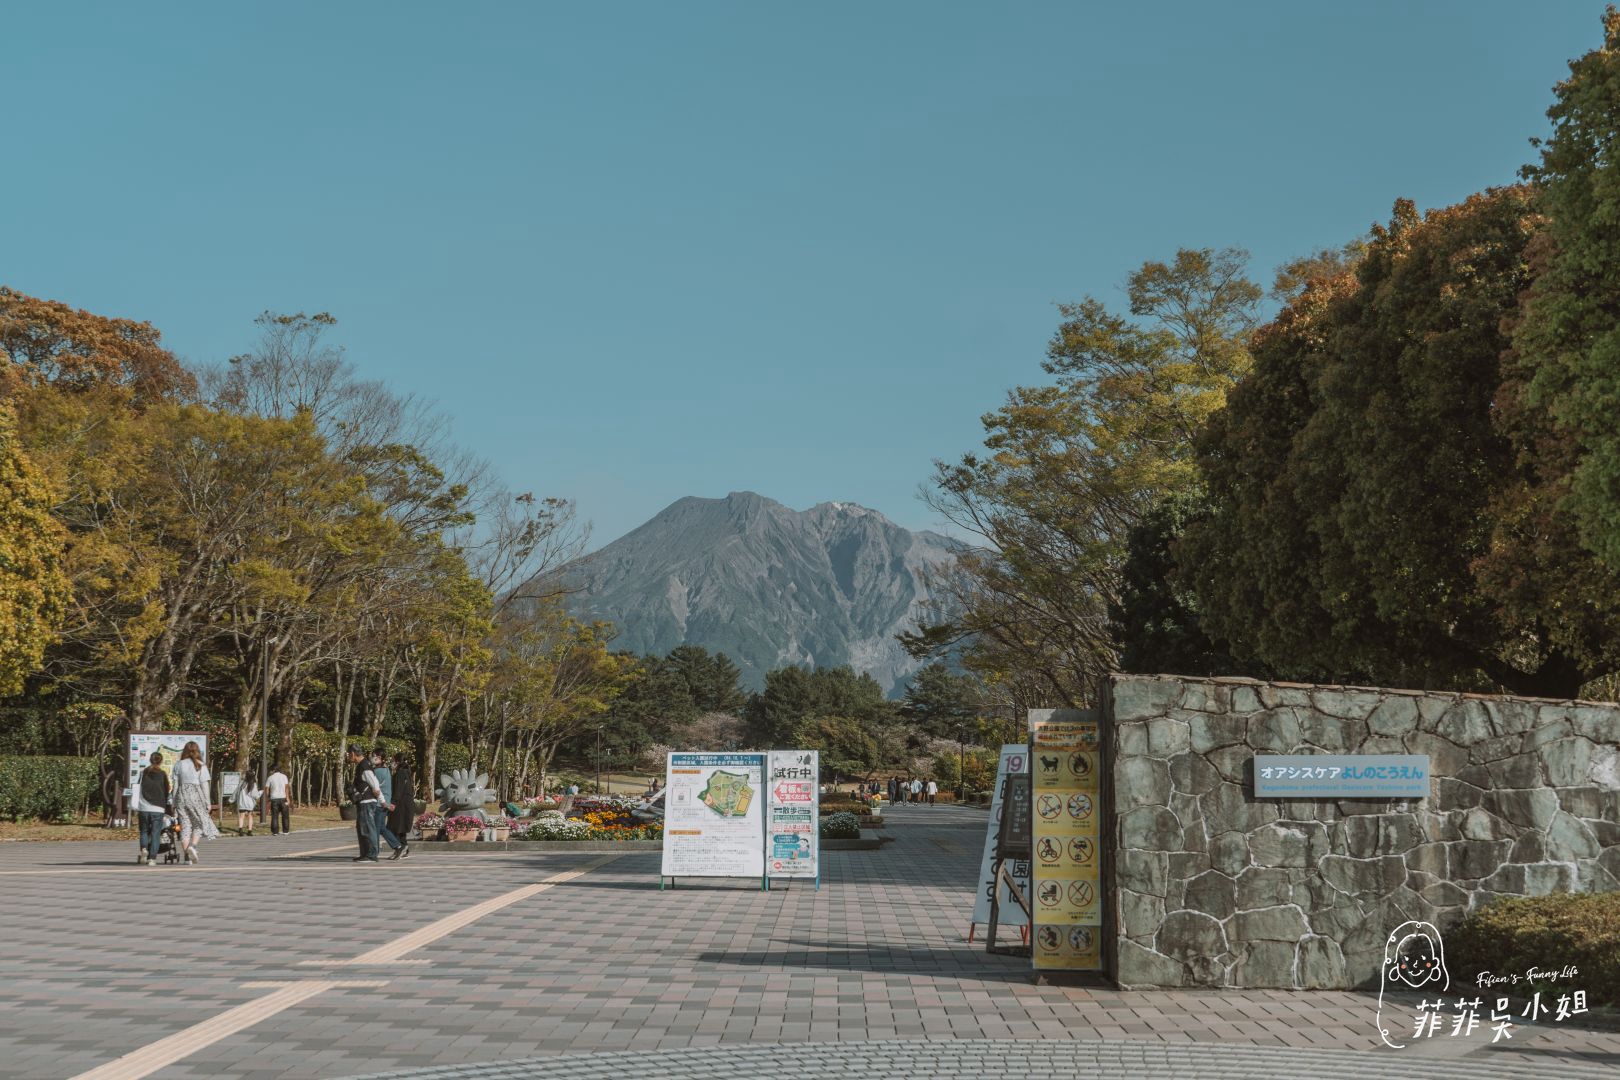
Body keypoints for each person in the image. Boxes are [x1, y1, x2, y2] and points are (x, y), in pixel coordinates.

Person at [172, 741, 218, 864]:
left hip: (181, 795)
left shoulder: (178, 764)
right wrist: (208, 803)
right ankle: (193, 846)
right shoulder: (201, 765)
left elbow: (175, 785)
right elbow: (205, 785)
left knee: (185, 826)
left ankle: (187, 858)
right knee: (199, 823)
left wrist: (174, 802)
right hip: (196, 795)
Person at [347, 746, 385, 863]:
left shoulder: (364, 765)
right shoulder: (362, 765)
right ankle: (365, 853)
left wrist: (381, 799)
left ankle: (372, 854)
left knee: (368, 828)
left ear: (353, 754)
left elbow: (374, 783)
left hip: (367, 802)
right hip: (364, 802)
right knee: (362, 829)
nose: (348, 756)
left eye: (349, 754)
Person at [371, 748, 407, 860]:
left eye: (375, 756)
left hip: (380, 804)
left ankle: (373, 853)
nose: (373, 758)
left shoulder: (377, 772)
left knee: (376, 829)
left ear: (381, 758)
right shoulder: (386, 770)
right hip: (385, 803)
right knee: (381, 828)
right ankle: (398, 846)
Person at [136, 751, 170, 865]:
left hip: (143, 807)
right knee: (156, 833)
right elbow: (167, 790)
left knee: (144, 831)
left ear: (150, 760)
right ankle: (152, 858)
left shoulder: (143, 773)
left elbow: (137, 787)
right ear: (161, 761)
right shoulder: (163, 774)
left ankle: (144, 849)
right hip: (158, 808)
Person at [388, 752, 415, 847]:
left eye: (393, 760)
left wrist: (393, 802)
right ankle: (404, 847)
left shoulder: (400, 773)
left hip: (400, 805)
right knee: (401, 828)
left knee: (394, 828)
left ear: (397, 761)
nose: (391, 762)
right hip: (405, 804)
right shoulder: (406, 772)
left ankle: (400, 847)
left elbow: (398, 789)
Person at [265, 762, 291, 835]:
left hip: (274, 799)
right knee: (285, 815)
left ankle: (275, 831)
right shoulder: (284, 776)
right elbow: (286, 788)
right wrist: (288, 798)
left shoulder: (270, 778)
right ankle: (285, 831)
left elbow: (266, 789)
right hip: (283, 798)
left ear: (273, 770)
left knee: (274, 816)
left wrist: (268, 798)